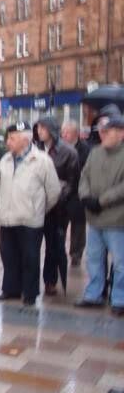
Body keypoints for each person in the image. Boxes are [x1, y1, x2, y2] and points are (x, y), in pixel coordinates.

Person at [0, 122, 61, 306]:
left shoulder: (41, 161)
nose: (8, 142)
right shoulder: (5, 160)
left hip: (30, 220)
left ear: (26, 139)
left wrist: (38, 208)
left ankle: (29, 293)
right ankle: (10, 289)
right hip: (8, 218)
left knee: (30, 258)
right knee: (9, 257)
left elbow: (53, 192)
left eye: (12, 138)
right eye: (8, 138)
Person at [74, 111, 124, 316]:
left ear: (121, 133)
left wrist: (101, 201)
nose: (103, 135)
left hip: (116, 220)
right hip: (94, 219)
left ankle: (119, 299)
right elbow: (83, 176)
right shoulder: (95, 152)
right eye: (102, 132)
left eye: (108, 131)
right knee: (93, 259)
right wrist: (85, 197)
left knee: (120, 263)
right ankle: (93, 294)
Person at [37, 116, 79, 295]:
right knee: (32, 245)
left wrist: (58, 197)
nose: (39, 131)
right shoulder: (35, 149)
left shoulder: (68, 152)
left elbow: (73, 181)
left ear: (52, 130)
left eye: (43, 128)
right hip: (36, 206)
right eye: (38, 127)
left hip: (58, 208)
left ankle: (50, 280)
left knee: (54, 246)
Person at [62, 120, 91, 266]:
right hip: (63, 194)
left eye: (67, 132)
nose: (64, 135)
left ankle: (76, 253)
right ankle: (60, 251)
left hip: (78, 193)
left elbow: (86, 171)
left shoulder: (85, 149)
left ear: (76, 134)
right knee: (61, 225)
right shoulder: (60, 148)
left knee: (78, 226)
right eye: (63, 132)